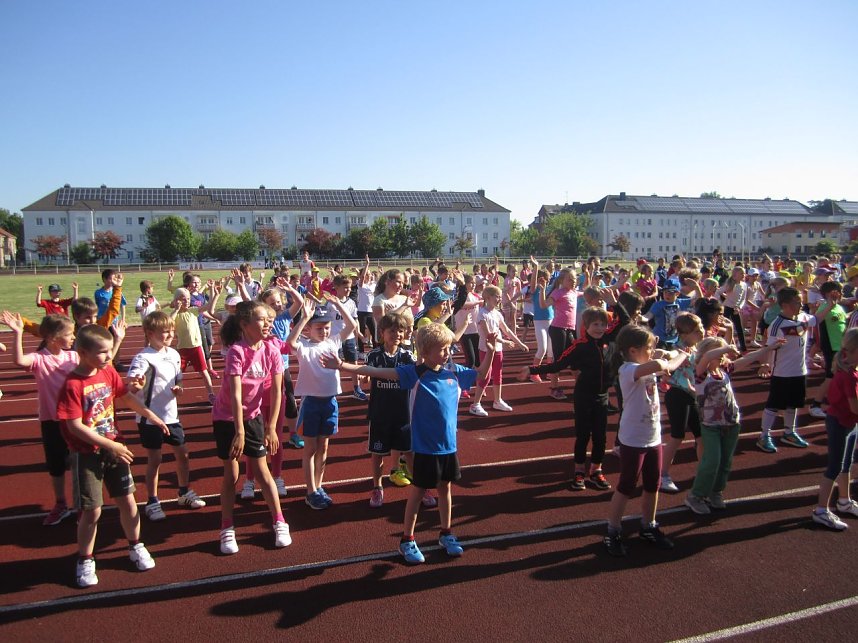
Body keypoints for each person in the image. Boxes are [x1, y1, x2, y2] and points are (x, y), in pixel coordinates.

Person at [323, 322, 498, 564]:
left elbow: (481, 375)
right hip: (424, 447)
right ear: (424, 351)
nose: (447, 353)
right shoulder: (414, 373)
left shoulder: (453, 371)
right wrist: (342, 365)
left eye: (448, 348)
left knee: (445, 489)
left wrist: (490, 351)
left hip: (448, 446)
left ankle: (446, 533)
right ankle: (407, 539)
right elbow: (377, 372)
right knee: (417, 493)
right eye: (442, 349)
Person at [56, 324, 168, 588]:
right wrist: (110, 445)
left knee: (128, 502)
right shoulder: (72, 384)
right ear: (82, 352)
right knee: (91, 510)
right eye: (103, 352)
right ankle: (85, 559)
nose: (108, 357)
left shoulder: (107, 371)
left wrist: (150, 415)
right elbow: (74, 426)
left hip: (115, 447)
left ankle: (136, 545)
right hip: (88, 453)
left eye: (109, 351)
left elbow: (125, 396)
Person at [521, 296, 632, 491]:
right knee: (583, 435)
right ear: (586, 326)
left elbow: (626, 321)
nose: (599, 328)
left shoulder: (609, 339)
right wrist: (532, 370)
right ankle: (579, 470)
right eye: (595, 324)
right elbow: (558, 364)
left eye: (603, 324)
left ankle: (596, 470)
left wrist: (614, 303)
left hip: (602, 396)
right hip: (584, 397)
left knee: (600, 437)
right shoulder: (579, 346)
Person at [212, 300, 291, 555]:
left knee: (262, 471)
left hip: (254, 417)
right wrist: (239, 431)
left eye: (270, 319)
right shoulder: (237, 351)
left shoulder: (272, 350)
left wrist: (270, 428)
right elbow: (235, 395)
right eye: (261, 319)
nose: (268, 323)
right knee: (231, 476)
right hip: (227, 418)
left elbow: (278, 392)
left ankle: (279, 521)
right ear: (244, 324)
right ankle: (226, 527)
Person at [603, 325, 687, 557]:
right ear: (632, 350)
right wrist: (681, 354)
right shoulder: (628, 369)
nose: (652, 351)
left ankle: (648, 525)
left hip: (653, 436)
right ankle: (613, 530)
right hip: (633, 439)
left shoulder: (641, 365)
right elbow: (661, 364)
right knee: (626, 485)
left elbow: (659, 358)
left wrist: (664, 353)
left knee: (653, 484)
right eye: (648, 348)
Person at [684, 337, 783, 515]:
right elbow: (707, 357)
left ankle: (716, 492)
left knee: (725, 462)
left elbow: (748, 358)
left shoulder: (724, 370)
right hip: (711, 426)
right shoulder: (700, 375)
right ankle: (695, 496)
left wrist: (770, 348)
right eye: (719, 353)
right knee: (712, 461)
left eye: (723, 354)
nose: (722, 357)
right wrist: (725, 348)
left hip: (731, 424)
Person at [0, 312, 78, 525]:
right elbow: (18, 360)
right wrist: (17, 333)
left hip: (75, 420)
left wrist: (117, 340)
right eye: (69, 334)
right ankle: (61, 503)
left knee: (80, 461)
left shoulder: (73, 356)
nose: (73, 337)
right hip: (51, 421)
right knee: (56, 465)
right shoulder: (39, 359)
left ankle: (82, 503)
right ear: (53, 337)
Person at [126, 311, 206, 521]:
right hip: (150, 418)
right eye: (164, 332)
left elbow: (178, 380)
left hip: (171, 416)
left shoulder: (174, 354)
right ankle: (152, 500)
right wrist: (135, 384)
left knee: (183, 454)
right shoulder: (143, 357)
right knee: (155, 459)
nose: (170, 335)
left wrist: (178, 388)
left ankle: (183, 491)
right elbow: (133, 383)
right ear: (150, 333)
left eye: (171, 331)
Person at [288, 294, 358, 510]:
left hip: (330, 403)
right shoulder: (303, 347)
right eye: (319, 328)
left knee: (324, 447)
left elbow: (352, 325)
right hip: (311, 404)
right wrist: (304, 318)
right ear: (308, 329)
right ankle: (310, 491)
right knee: (310, 448)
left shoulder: (333, 342)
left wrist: (337, 304)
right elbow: (290, 342)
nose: (325, 331)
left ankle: (318, 486)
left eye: (327, 327)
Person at [364, 313, 418, 507]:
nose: (396, 334)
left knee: (409, 452)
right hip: (380, 413)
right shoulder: (374, 355)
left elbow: (417, 374)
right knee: (377, 453)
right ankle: (377, 488)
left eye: (400, 331)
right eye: (392, 331)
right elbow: (365, 372)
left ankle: (422, 487)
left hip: (403, 413)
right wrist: (365, 378)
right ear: (382, 333)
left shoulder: (407, 356)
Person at [757, 287, 816, 453]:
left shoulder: (803, 317)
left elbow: (816, 319)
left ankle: (789, 432)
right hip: (782, 372)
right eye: (797, 302)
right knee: (773, 405)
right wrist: (766, 364)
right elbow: (769, 347)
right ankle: (764, 436)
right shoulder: (778, 325)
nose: (801, 304)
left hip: (800, 371)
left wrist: (830, 304)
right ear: (785, 305)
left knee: (794, 403)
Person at [812, 328, 858, 530]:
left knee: (846, 465)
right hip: (840, 423)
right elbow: (854, 406)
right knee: (834, 467)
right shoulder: (848, 376)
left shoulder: (851, 372)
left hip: (849, 423)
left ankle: (844, 501)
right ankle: (821, 510)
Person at [659, 313, 705, 493]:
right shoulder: (679, 349)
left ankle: (703, 468)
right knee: (677, 436)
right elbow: (671, 354)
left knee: (701, 435)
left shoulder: (696, 348)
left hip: (691, 395)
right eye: (696, 330)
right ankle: (662, 475)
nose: (701, 331)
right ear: (684, 335)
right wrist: (665, 355)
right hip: (677, 395)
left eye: (701, 326)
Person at [469, 285, 529, 416]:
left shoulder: (497, 314)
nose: (499, 299)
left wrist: (519, 343)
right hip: (486, 349)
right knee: (485, 376)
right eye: (497, 296)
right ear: (488, 297)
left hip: (498, 349)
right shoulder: (482, 314)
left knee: (498, 374)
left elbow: (506, 330)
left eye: (499, 296)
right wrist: (505, 341)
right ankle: (475, 404)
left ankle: (497, 400)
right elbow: (488, 335)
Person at [169, 287, 217, 404]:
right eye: (183, 299)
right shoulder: (174, 314)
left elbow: (209, 306)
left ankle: (211, 393)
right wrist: (176, 309)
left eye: (188, 299)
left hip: (196, 347)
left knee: (204, 371)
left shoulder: (193, 311)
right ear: (177, 301)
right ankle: (172, 394)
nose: (187, 301)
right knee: (177, 374)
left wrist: (213, 293)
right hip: (182, 349)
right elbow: (169, 322)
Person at [809, 281, 847, 419]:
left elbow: (842, 322)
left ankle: (840, 402)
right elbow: (817, 320)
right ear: (829, 293)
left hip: (842, 347)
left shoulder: (839, 308)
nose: (841, 294)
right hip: (832, 348)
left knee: (842, 377)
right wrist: (829, 305)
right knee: (830, 378)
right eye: (838, 291)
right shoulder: (825, 307)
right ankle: (815, 405)